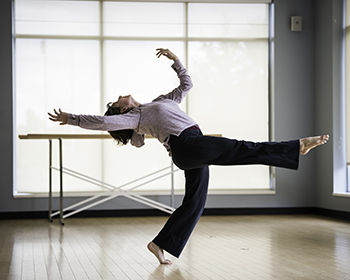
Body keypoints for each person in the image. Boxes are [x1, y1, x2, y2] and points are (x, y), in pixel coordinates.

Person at [48, 48, 329, 265]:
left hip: (191, 147)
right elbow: (101, 122)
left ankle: (160, 244)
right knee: (238, 147)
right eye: (117, 101)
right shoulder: (134, 117)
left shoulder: (161, 101)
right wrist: (70, 118)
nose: (120, 96)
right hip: (187, 145)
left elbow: (186, 84)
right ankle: (296, 146)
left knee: (195, 201)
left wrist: (175, 60)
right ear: (122, 111)